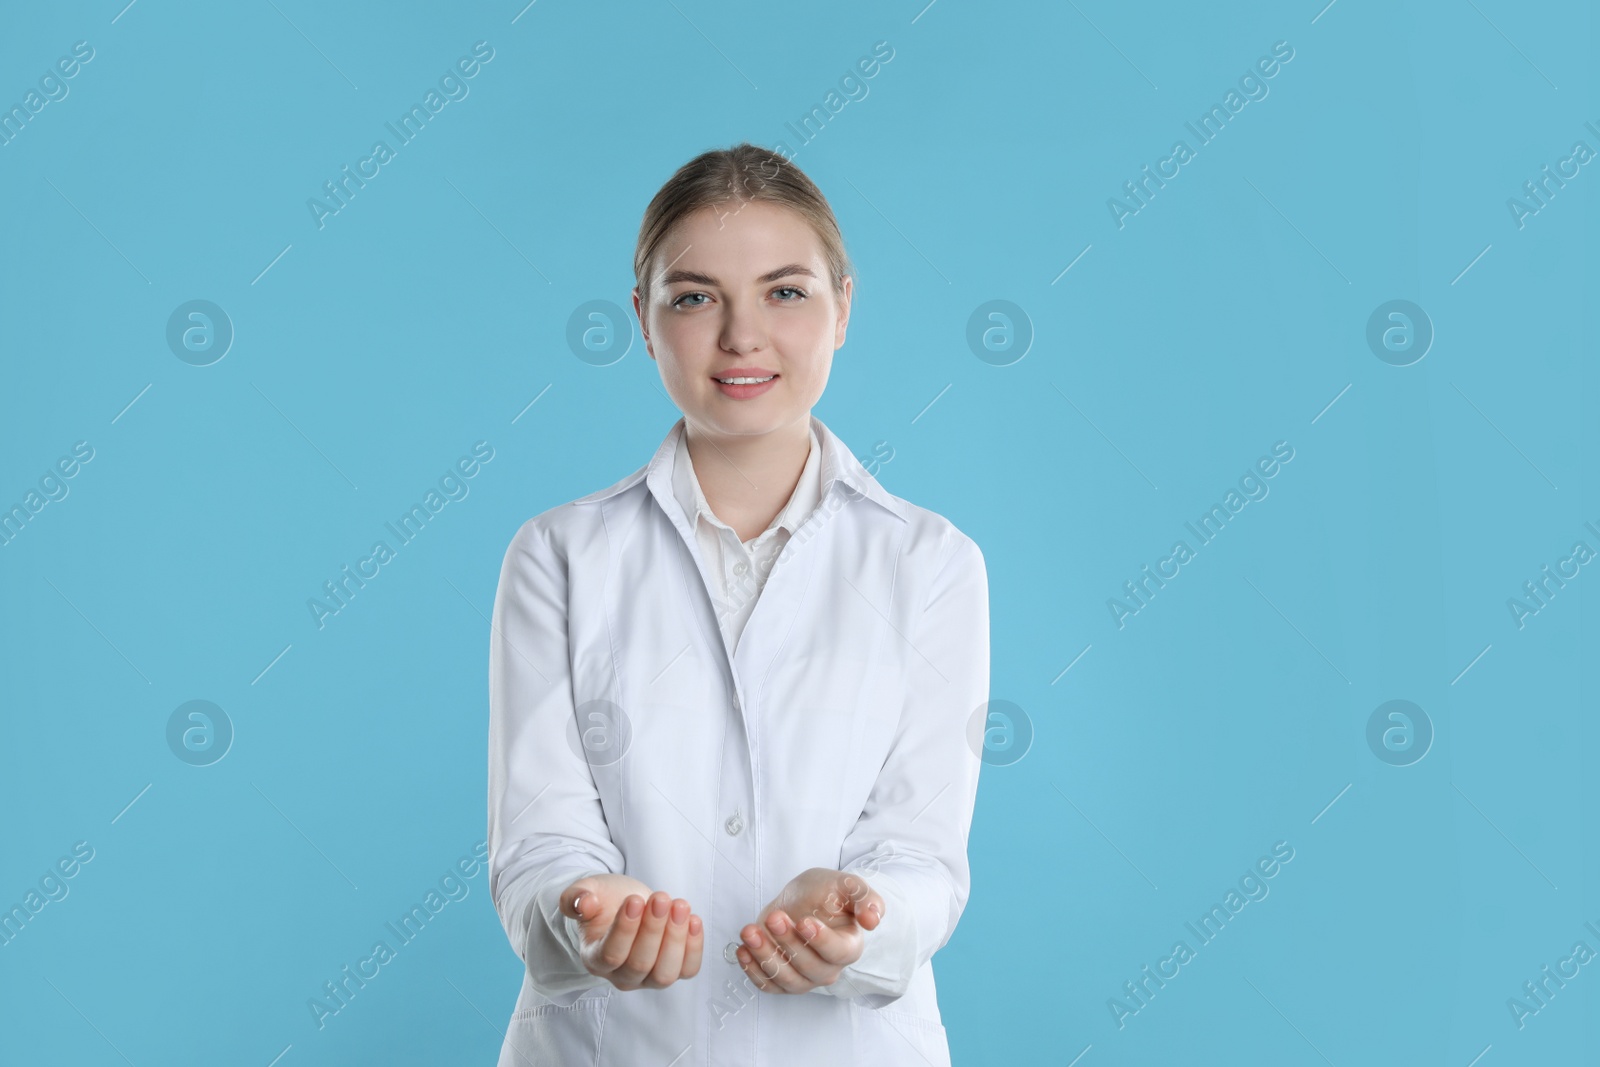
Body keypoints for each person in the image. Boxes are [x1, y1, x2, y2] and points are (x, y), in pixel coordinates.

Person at [486, 142, 989, 1066]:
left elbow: (922, 856)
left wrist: (858, 923)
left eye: (786, 291)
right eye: (694, 296)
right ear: (643, 319)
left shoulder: (932, 562)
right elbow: (536, 843)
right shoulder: (557, 556)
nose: (742, 335)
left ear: (844, 308)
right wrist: (586, 915)